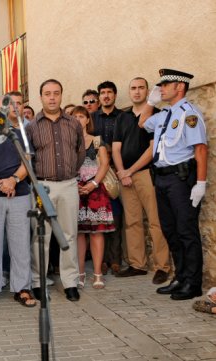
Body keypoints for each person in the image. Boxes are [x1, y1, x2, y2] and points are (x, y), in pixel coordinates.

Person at [141, 69, 207, 300]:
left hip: (181, 180)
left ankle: (193, 282)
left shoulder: (189, 115)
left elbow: (200, 149)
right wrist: (150, 102)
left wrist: (200, 183)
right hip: (161, 178)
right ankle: (180, 277)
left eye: (166, 85)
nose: (162, 88)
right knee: (170, 230)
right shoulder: (164, 114)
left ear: (180, 86)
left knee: (186, 231)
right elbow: (142, 123)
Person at [26, 79, 85, 302]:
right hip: (43, 187)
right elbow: (28, 158)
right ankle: (38, 282)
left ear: (61, 95)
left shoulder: (73, 124)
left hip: (69, 185)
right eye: (47, 93)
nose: (52, 97)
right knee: (42, 235)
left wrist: (69, 173)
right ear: (40, 97)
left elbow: (79, 154)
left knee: (69, 234)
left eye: (56, 93)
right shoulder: (32, 126)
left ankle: (70, 282)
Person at [112, 77, 170, 284]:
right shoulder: (122, 117)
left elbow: (152, 148)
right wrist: (121, 172)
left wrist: (130, 171)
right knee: (132, 222)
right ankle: (137, 264)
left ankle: (162, 267)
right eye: (133, 88)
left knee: (155, 222)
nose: (137, 92)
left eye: (141, 88)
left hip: (146, 174)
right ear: (129, 92)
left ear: (147, 91)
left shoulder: (155, 114)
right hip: (125, 176)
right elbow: (115, 148)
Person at [0, 95, 34, 308]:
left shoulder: (20, 134)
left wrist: (13, 180)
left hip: (19, 194)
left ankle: (22, 287)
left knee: (20, 244)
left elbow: (27, 161)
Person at [71, 106, 115, 289]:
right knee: (79, 233)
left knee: (97, 232)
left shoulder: (97, 141)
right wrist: (75, 185)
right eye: (75, 116)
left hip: (96, 190)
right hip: (75, 189)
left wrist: (94, 184)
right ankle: (80, 273)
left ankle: (97, 273)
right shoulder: (67, 141)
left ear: (88, 119)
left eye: (82, 116)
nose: (79, 119)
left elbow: (104, 164)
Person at [92, 81, 123, 275]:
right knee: (100, 216)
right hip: (96, 172)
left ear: (115, 95)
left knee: (118, 215)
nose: (106, 96)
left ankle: (116, 258)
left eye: (109, 92)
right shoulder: (93, 118)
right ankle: (101, 260)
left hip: (118, 170)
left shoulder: (123, 117)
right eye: (102, 93)